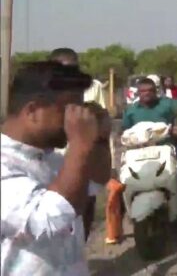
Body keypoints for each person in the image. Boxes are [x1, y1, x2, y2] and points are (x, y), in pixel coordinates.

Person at [1, 61, 110, 275]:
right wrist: (79, 143)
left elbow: (96, 180)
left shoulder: (51, 159)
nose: (76, 119)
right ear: (33, 111)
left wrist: (99, 139)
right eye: (69, 110)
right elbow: (49, 219)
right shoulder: (4, 162)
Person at [120, 78, 177, 239]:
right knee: (123, 178)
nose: (146, 94)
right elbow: (124, 131)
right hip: (140, 150)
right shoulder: (131, 110)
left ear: (155, 91)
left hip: (169, 146)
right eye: (143, 91)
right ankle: (125, 215)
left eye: (150, 91)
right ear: (138, 93)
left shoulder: (168, 104)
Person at [48, 48, 110, 242]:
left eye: (73, 69)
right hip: (53, 165)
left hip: (85, 161)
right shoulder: (42, 96)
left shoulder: (91, 88)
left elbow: (100, 119)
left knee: (84, 216)